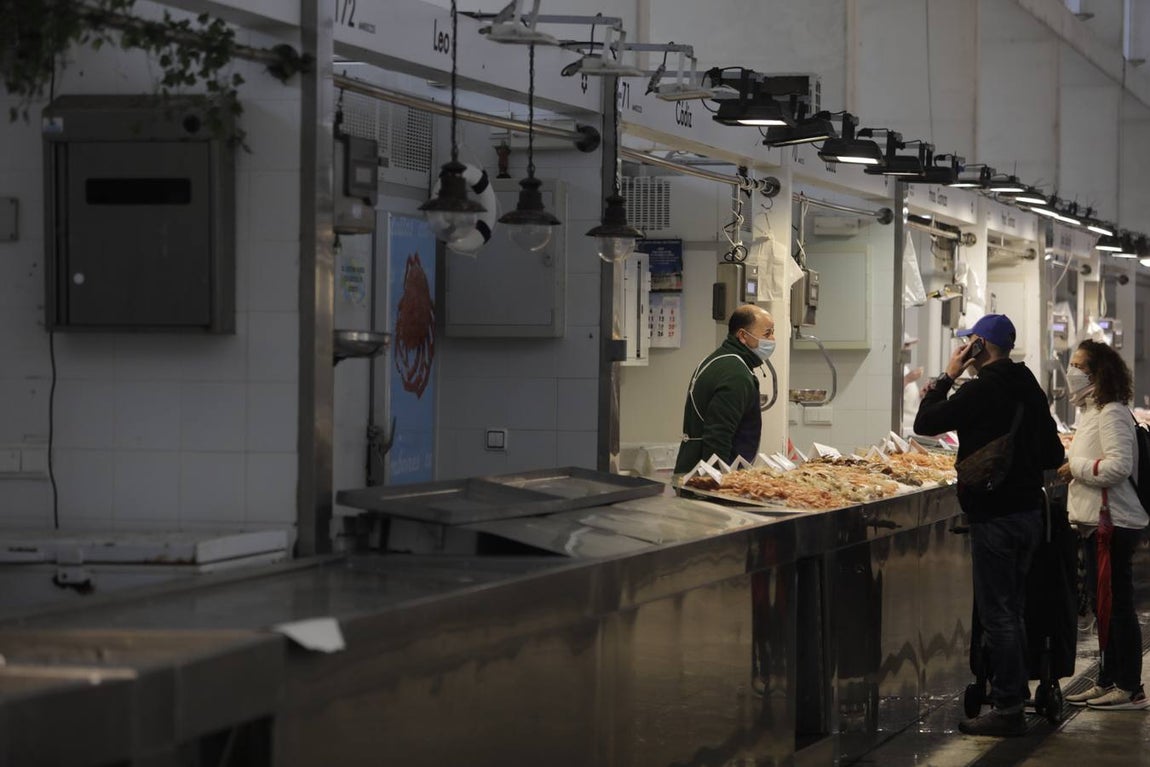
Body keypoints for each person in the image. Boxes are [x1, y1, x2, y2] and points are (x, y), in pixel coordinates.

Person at [914, 314, 1064, 737]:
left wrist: (947, 376)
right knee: (1013, 609)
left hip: (994, 516)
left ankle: (1009, 705)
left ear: (979, 346)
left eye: (969, 343)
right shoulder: (1029, 386)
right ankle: (1011, 692)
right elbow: (1053, 452)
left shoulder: (982, 389)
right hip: (1030, 514)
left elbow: (925, 424)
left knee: (998, 614)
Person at [1058, 340, 1149, 710]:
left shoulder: (1112, 412)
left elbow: (1118, 467)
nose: (1072, 370)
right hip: (1095, 524)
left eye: (1079, 365)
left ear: (1098, 373)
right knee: (1104, 606)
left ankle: (1129, 687)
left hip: (1113, 524)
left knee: (1117, 605)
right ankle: (1108, 678)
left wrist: (1074, 469)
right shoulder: (1093, 412)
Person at [674, 304, 774, 474]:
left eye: (772, 332)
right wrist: (715, 485)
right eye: (767, 334)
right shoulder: (735, 373)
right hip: (705, 476)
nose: (772, 339)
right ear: (742, 335)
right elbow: (718, 436)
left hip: (696, 468)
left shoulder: (721, 359)